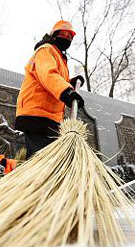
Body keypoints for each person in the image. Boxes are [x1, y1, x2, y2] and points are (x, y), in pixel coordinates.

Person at [15, 20, 85, 158]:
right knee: (43, 161)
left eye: (70, 37)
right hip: (37, 115)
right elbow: (48, 75)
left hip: (49, 117)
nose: (67, 39)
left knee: (45, 161)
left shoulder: (59, 57)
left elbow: (56, 80)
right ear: (54, 35)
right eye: (63, 35)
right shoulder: (46, 50)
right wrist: (67, 92)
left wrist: (70, 83)